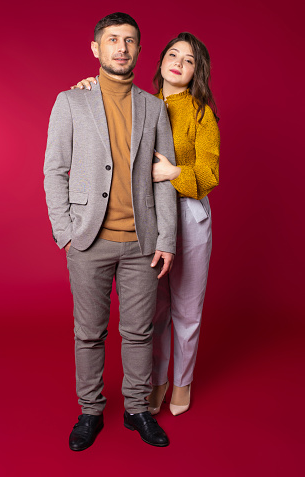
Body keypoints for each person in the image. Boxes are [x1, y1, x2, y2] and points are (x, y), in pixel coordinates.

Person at [44, 12, 177, 451]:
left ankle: (137, 409)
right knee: (89, 332)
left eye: (131, 41)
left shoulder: (155, 107)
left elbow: (164, 179)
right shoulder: (71, 101)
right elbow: (54, 170)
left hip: (143, 242)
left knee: (139, 331)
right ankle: (91, 411)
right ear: (96, 49)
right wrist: (64, 229)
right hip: (88, 239)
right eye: (113, 40)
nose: (122, 47)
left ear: (139, 50)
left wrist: (167, 239)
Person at [72, 32, 220, 417]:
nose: (179, 63)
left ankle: (182, 383)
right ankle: (154, 383)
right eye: (173, 55)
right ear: (158, 61)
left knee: (187, 310)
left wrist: (173, 172)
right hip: (148, 215)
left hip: (188, 213)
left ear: (196, 71)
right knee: (152, 313)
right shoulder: (143, 105)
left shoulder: (201, 112)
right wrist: (87, 84)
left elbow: (210, 172)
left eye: (189, 60)